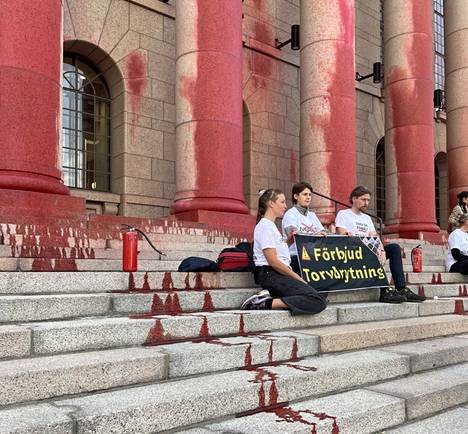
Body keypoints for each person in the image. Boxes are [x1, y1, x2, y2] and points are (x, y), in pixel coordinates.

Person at [240, 188, 327, 315]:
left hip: (278, 273)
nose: (285, 206)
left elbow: (277, 253)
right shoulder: (265, 226)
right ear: (271, 203)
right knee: (317, 300)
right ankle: (263, 303)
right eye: (282, 202)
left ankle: (277, 297)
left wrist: (289, 242)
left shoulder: (271, 226)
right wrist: (296, 277)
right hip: (270, 274)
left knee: (322, 288)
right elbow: (273, 261)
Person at [335, 186, 426, 303]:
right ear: (354, 198)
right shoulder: (343, 214)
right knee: (371, 253)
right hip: (352, 253)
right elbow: (341, 233)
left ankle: (401, 288)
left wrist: (382, 251)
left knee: (394, 248)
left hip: (368, 251)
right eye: (363, 200)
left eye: (368, 200)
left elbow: (374, 237)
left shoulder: (367, 218)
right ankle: (384, 291)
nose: (366, 203)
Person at [282, 181, 327, 274]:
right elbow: (293, 235)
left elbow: (323, 232)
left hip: (313, 257)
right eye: (305, 194)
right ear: (296, 196)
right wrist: (316, 234)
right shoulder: (290, 214)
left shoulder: (312, 215)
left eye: (310, 195)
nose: (308, 197)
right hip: (295, 257)